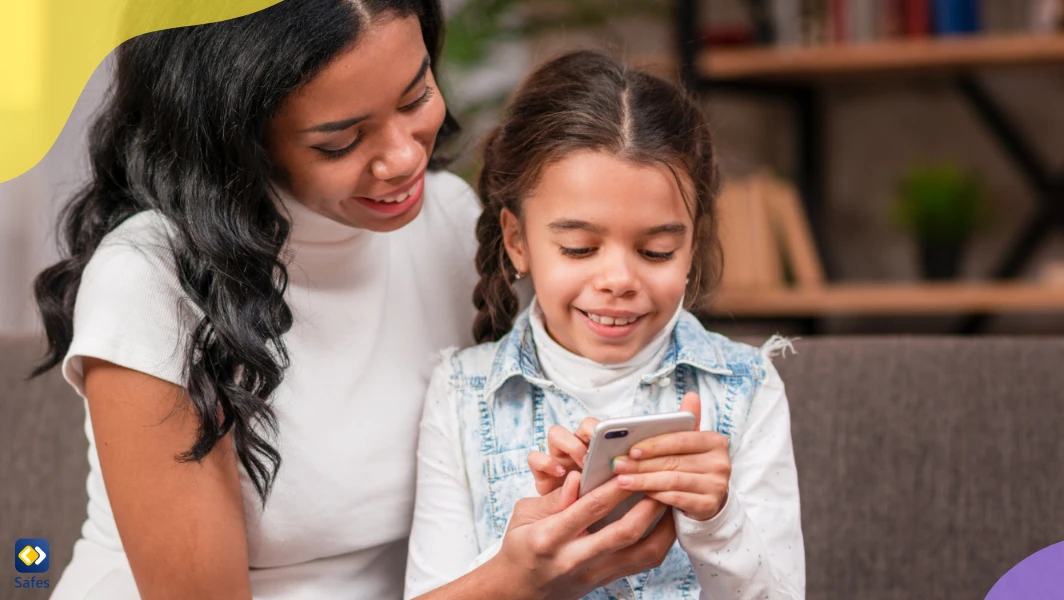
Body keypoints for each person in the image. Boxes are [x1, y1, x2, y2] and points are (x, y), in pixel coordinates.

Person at [32, 2, 674, 598]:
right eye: (339, 141)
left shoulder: (450, 219)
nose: (403, 158)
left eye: (417, 94)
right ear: (238, 139)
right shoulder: (149, 280)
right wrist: (510, 583)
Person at [405, 50, 806, 599]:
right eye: (579, 248)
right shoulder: (461, 394)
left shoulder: (746, 388)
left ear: (691, 245)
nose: (618, 278)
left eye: (657, 250)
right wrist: (524, 564)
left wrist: (718, 522)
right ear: (517, 241)